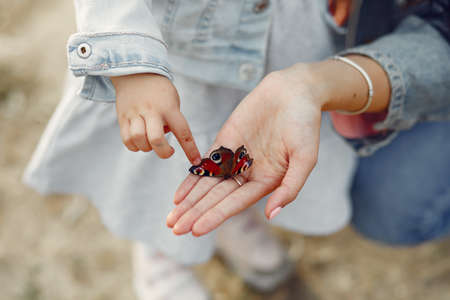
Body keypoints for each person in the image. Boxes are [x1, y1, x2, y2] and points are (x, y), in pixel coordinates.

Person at [23, 0, 449, 299]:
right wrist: (131, 62)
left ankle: (237, 222)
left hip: (297, 41)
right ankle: (159, 254)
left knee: (257, 152)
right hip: (179, 50)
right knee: (165, 166)